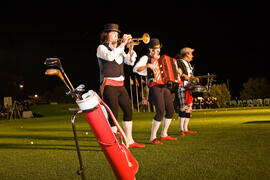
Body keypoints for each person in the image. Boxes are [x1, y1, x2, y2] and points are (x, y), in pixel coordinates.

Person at [97, 23, 145, 148]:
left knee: (128, 110)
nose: (116, 35)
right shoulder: (101, 48)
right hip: (108, 84)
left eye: (117, 33)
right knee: (113, 113)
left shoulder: (120, 48)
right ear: (106, 35)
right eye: (113, 33)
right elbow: (110, 57)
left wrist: (130, 49)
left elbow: (130, 62)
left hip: (120, 85)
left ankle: (129, 140)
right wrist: (123, 44)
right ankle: (115, 143)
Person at [133, 38, 178, 145]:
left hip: (165, 86)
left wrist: (177, 71)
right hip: (154, 86)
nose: (158, 52)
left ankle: (164, 134)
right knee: (160, 111)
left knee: (171, 110)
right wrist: (148, 65)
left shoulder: (162, 59)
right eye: (156, 50)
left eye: (158, 50)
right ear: (150, 50)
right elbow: (135, 69)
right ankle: (152, 137)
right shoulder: (146, 58)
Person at [174, 47, 198, 136]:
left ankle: (186, 128)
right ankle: (181, 129)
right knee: (183, 107)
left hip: (189, 87)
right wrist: (190, 78)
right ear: (187, 54)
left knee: (189, 107)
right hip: (182, 86)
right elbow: (180, 74)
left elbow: (189, 76)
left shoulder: (189, 64)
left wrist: (194, 79)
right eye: (191, 53)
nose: (192, 55)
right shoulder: (179, 62)